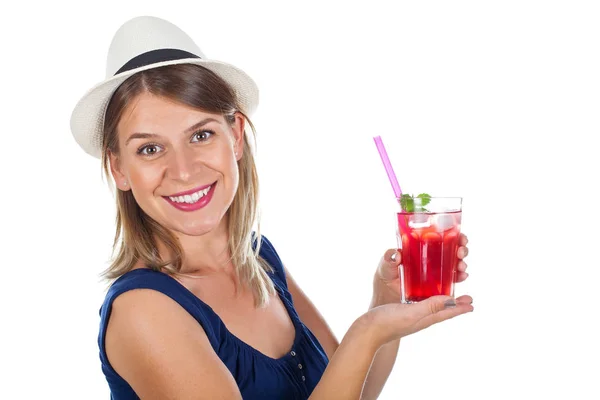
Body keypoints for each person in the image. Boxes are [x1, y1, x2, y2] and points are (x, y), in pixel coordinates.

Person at [70, 16, 473, 400]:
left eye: (201, 135)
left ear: (236, 136)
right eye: (150, 149)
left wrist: (385, 302)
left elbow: (353, 391)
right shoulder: (144, 310)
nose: (183, 170)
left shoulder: (259, 257)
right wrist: (365, 332)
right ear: (119, 168)